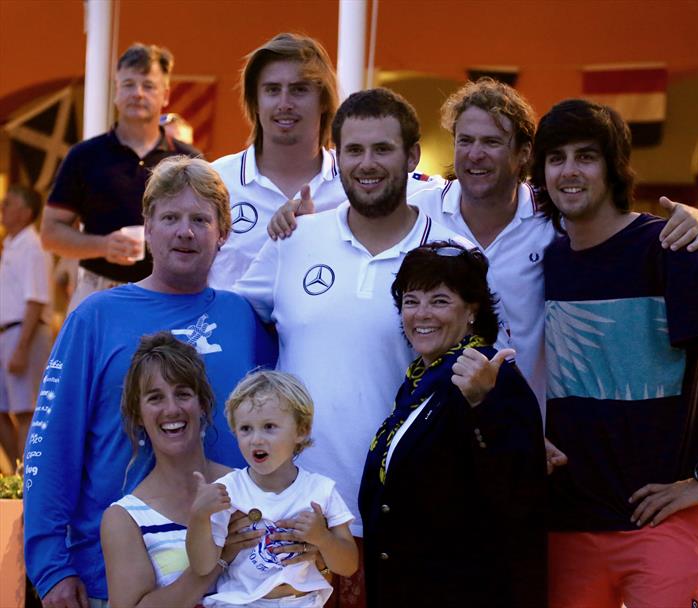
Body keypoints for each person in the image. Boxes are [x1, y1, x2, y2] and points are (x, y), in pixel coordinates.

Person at [268, 78, 698, 409]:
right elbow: (361, 189)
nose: (475, 154)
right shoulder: (423, 204)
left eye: (492, 142)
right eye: (466, 141)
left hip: (532, 431)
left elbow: (612, 224)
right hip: (442, 429)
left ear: (522, 154)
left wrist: (694, 217)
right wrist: (293, 218)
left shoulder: (553, 221)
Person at [232, 88, 472, 603]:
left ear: (412, 157)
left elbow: (477, 380)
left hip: (405, 516)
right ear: (335, 157)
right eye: (353, 150)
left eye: (383, 149)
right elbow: (226, 318)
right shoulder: (296, 239)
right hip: (297, 517)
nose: (367, 164)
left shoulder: (456, 257)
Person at [534, 99, 698, 608]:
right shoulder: (544, 260)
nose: (569, 171)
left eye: (586, 156)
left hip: (659, 519)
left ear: (614, 167)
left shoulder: (665, 246)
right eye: (556, 158)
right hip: (565, 520)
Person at [24, 156, 277, 608]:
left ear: (223, 233)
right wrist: (50, 566)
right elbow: (50, 441)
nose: (185, 231)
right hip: (111, 582)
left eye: (200, 219)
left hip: (232, 581)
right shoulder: (96, 317)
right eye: (171, 218)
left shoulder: (242, 318)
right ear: (149, 227)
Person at [359, 241, 547, 608]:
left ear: (472, 310)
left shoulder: (492, 375)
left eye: (439, 301)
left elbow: (520, 493)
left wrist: (482, 406)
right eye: (411, 301)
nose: (421, 314)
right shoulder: (418, 380)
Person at [101, 332, 263, 608]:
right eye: (155, 398)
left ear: (202, 403)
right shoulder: (125, 519)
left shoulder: (251, 486)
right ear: (138, 414)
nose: (172, 409)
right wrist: (220, 556)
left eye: (183, 394)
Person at [42, 43, 201, 312]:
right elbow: (50, 233)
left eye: (148, 86)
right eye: (128, 84)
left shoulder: (190, 161)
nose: (138, 93)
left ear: (165, 95)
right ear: (116, 92)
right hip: (98, 292)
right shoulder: (84, 156)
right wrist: (103, 246)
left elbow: (210, 229)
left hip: (172, 294)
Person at [187, 370, 358, 607]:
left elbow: (348, 566)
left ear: (302, 430)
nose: (256, 439)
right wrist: (199, 516)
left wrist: (323, 538)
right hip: (239, 603)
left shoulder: (322, 490)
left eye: (269, 426)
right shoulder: (227, 490)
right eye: (246, 428)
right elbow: (202, 566)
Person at [209, 33, 345, 290]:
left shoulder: (355, 184)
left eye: (299, 90)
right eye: (272, 90)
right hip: (231, 330)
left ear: (324, 101)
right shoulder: (214, 182)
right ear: (255, 102)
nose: (284, 103)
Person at [0, 185, 53, 471]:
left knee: (24, 410)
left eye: (8, 203)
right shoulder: (11, 244)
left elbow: (35, 299)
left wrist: (21, 347)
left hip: (26, 332)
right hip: (8, 333)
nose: (2, 208)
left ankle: (26, 478)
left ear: (26, 212)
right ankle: (15, 471)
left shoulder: (33, 245)